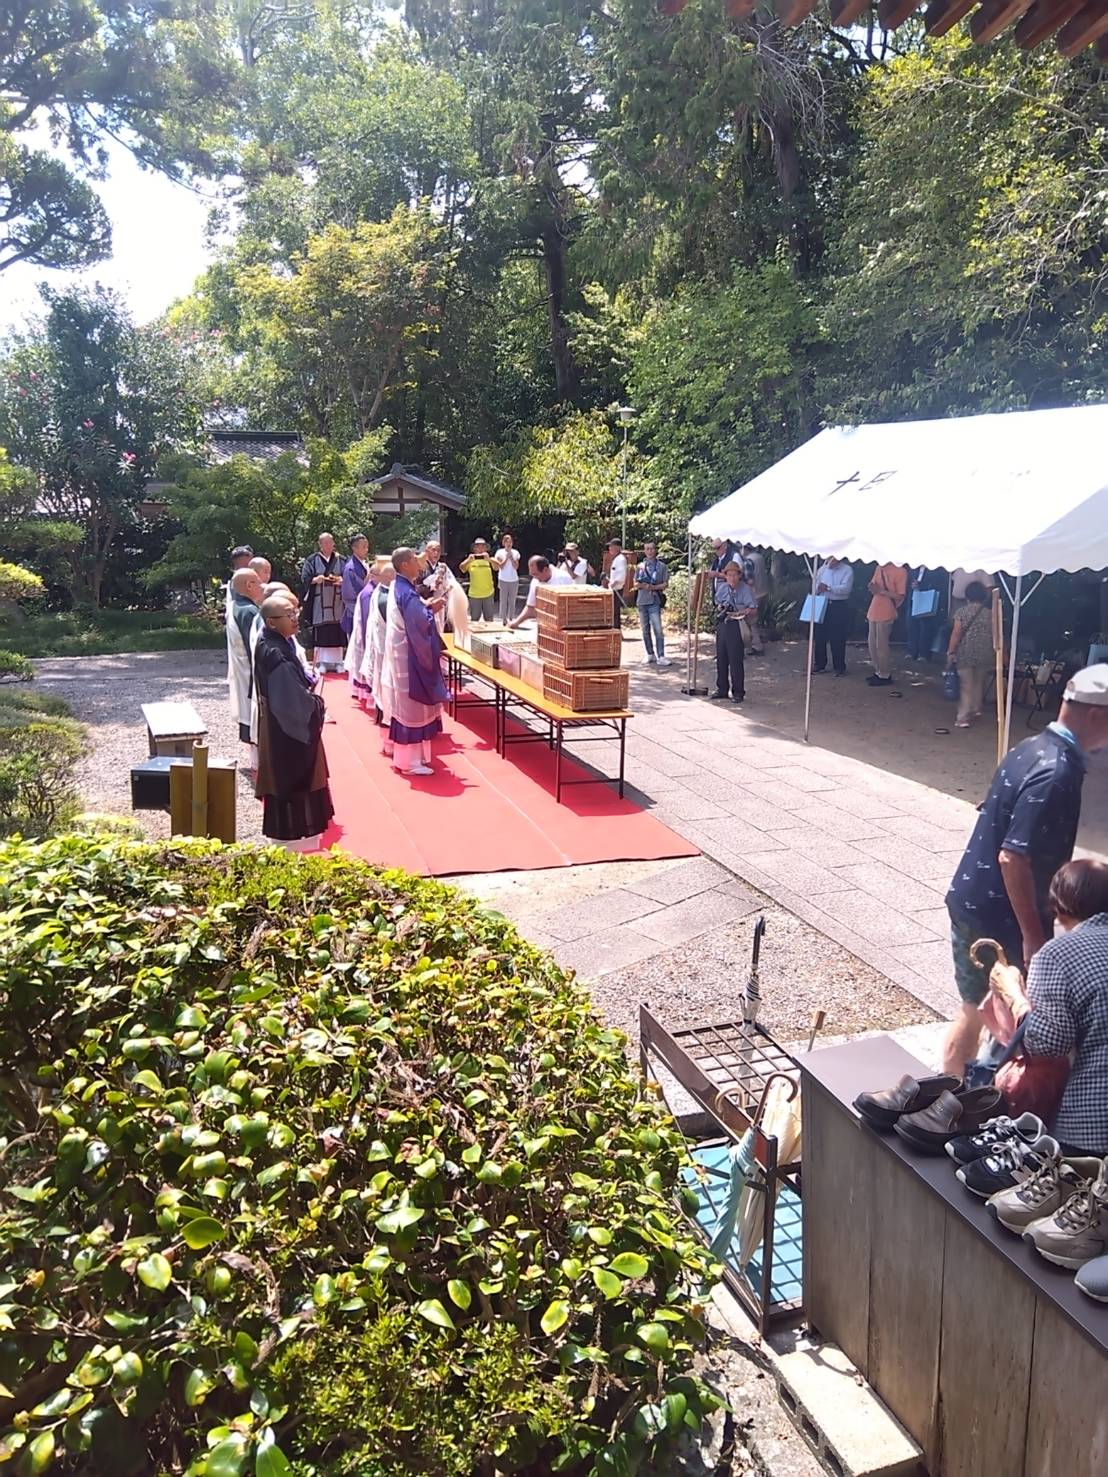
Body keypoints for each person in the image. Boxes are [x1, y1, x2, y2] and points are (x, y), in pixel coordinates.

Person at [942, 665, 1108, 1077]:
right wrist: (1033, 935)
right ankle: (955, 1095)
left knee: (982, 1008)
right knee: (989, 1012)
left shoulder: (1031, 746)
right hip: (998, 912)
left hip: (977, 897)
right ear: (1096, 715)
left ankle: (957, 1090)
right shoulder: (1057, 771)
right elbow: (1012, 857)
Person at [988, 860, 1108, 1156]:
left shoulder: (1058, 955)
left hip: (1092, 1127)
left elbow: (1047, 1044)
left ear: (1059, 909)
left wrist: (1013, 995)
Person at [253, 594, 334, 851]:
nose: (295, 618)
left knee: (288, 782)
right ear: (271, 622)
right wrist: (316, 704)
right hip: (288, 733)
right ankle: (295, 841)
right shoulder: (275, 652)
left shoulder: (274, 641)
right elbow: (291, 703)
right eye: (288, 615)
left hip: (278, 727)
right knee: (294, 783)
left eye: (295, 612)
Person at [379, 547, 450, 777]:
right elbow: (419, 623)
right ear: (404, 565)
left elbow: (414, 614)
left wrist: (426, 606)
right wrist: (431, 610)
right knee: (412, 708)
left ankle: (411, 758)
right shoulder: (406, 592)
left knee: (406, 708)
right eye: (414, 560)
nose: (419, 563)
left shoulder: (399, 586)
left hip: (402, 654)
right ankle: (409, 762)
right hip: (410, 658)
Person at [227, 568, 263, 764]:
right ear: (249, 585)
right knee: (255, 712)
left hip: (241, 669)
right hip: (250, 670)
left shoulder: (236, 606)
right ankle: (260, 760)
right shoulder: (249, 611)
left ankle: (256, 758)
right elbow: (255, 646)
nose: (262, 586)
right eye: (258, 582)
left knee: (247, 711)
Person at [946, 580, 993, 728]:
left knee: (966, 684)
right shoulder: (990, 614)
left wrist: (951, 651)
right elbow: (996, 634)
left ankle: (963, 716)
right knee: (979, 682)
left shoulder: (961, 612)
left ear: (967, 596)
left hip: (966, 651)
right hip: (984, 652)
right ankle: (975, 708)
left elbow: (956, 633)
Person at [299, 532, 346, 672]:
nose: (328, 545)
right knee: (322, 630)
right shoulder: (312, 560)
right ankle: (321, 662)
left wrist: (342, 580)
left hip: (337, 599)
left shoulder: (341, 560)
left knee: (337, 629)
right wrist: (315, 580)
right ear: (320, 545)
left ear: (333, 543)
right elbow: (305, 578)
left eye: (330, 542)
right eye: (325, 543)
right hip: (319, 599)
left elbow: (347, 576)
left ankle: (338, 662)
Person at [712, 562, 756, 703]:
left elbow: (753, 609)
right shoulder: (722, 588)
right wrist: (722, 608)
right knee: (721, 658)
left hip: (737, 624)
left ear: (739, 576)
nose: (732, 578)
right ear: (725, 576)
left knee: (735, 660)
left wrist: (741, 611)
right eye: (729, 575)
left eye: (735, 575)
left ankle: (738, 692)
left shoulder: (745, 589)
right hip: (723, 623)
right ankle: (722, 689)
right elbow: (717, 603)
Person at [361, 561, 395, 723]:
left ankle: (383, 714)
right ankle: (387, 716)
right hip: (385, 648)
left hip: (381, 646)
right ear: (389, 577)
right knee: (386, 684)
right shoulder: (384, 597)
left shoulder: (380, 591)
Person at [865, 561, 908, 687]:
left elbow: (900, 596)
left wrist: (882, 591)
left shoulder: (900, 571)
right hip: (874, 609)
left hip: (887, 610)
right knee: (872, 644)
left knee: (882, 645)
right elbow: (874, 587)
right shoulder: (879, 568)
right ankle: (878, 670)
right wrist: (872, 588)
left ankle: (885, 674)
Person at [346, 556, 381, 706]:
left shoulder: (374, 590)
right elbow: (367, 620)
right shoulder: (369, 593)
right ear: (373, 576)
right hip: (366, 635)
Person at [506, 555, 573, 630]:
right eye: (532, 575)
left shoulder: (564, 578)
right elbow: (530, 607)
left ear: (545, 570)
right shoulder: (535, 581)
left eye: (536, 574)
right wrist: (516, 622)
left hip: (567, 621)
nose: (535, 577)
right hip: (547, 622)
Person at [813, 557, 854, 676]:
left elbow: (846, 589)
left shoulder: (847, 570)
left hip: (838, 605)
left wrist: (829, 588)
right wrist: (818, 588)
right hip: (823, 602)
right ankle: (819, 664)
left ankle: (839, 666)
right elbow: (815, 585)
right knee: (820, 635)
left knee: (837, 636)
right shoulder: (822, 569)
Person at [635, 541, 670, 668]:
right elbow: (635, 583)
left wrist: (653, 587)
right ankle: (650, 653)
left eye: (651, 548)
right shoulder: (640, 566)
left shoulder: (662, 566)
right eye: (647, 549)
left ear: (655, 550)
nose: (649, 551)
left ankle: (661, 655)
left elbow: (665, 584)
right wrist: (642, 585)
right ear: (644, 551)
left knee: (658, 629)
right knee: (645, 630)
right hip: (642, 601)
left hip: (654, 601)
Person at [907, 566, 944, 663]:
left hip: (926, 600)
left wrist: (920, 586)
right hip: (913, 599)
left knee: (925, 629)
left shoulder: (935, 569)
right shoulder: (913, 568)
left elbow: (937, 584)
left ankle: (924, 654)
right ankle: (912, 652)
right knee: (911, 627)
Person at [340, 534, 370, 639]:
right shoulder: (350, 568)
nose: (366, 550)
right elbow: (348, 596)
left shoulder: (363, 564)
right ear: (354, 548)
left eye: (367, 547)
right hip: (355, 613)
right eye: (363, 547)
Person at [460, 538, 496, 623]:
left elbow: (497, 567)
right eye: (478, 546)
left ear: (486, 548)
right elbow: (462, 568)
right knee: (474, 620)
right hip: (474, 595)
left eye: (483, 546)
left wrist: (489, 559)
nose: (480, 549)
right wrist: (468, 560)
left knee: (489, 620)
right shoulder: (470, 559)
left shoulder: (489, 559)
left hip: (488, 594)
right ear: (474, 548)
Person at [742, 544, 770, 654]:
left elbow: (750, 581)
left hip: (754, 594)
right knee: (755, 621)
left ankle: (756, 646)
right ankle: (754, 644)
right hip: (763, 592)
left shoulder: (748, 561)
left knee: (751, 621)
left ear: (745, 548)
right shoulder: (760, 557)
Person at [494, 534, 520, 622]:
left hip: (514, 579)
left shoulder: (515, 552)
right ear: (504, 543)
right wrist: (506, 557)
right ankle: (504, 618)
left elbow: (516, 567)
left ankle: (511, 618)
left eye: (510, 542)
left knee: (512, 600)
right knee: (503, 599)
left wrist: (511, 557)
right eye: (507, 542)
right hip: (503, 579)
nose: (509, 544)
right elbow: (500, 566)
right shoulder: (499, 552)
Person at [603, 538, 628, 630]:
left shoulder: (621, 559)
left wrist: (614, 583)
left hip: (617, 589)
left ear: (618, 547)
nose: (610, 548)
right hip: (613, 588)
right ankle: (615, 630)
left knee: (615, 612)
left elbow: (621, 575)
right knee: (613, 611)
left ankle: (617, 630)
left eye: (611, 546)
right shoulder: (616, 559)